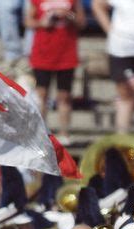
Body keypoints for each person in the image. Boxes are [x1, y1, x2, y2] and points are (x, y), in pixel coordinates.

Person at [91, 0, 134, 137]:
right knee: (125, 96)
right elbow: (97, 5)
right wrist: (110, 30)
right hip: (121, 50)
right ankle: (123, 141)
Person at [25, 0, 86, 144]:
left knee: (64, 95)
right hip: (42, 53)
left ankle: (64, 133)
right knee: (42, 95)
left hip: (66, 54)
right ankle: (40, 133)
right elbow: (28, 21)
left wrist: (69, 16)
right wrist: (43, 22)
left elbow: (82, 22)